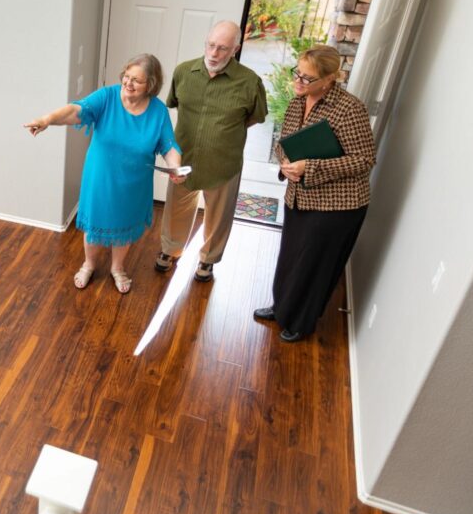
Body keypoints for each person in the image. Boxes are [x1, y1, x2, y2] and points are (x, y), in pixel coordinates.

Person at [24, 54, 183, 294]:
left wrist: (175, 166)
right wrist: (48, 119)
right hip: (101, 177)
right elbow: (75, 110)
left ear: (150, 85)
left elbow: (169, 145)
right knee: (95, 223)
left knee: (126, 224)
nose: (128, 84)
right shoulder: (107, 97)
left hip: (134, 182)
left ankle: (117, 268)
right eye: (126, 77)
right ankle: (89, 264)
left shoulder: (158, 112)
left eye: (136, 81)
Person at [253, 44, 376, 342]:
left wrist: (311, 167)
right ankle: (282, 308)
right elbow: (287, 141)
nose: (299, 81)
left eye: (307, 78)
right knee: (290, 257)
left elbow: (364, 159)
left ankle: (301, 322)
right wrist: (286, 163)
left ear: (330, 78)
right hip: (299, 196)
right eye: (298, 73)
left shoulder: (349, 108)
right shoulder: (299, 100)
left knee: (313, 264)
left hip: (337, 206)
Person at [155, 21, 268, 282]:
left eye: (223, 48)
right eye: (211, 45)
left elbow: (255, 117)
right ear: (206, 42)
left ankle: (208, 260)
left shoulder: (250, 82)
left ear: (235, 49)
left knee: (218, 215)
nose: (214, 54)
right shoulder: (184, 72)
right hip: (184, 158)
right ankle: (170, 249)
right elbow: (172, 103)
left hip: (223, 162)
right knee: (176, 208)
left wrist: (223, 134)